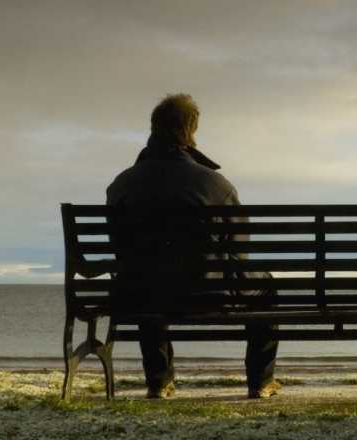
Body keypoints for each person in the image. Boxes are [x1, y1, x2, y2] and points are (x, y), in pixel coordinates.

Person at [106, 93, 280, 399]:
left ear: (153, 128)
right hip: (208, 292)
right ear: (191, 130)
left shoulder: (122, 184)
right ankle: (261, 381)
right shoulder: (216, 184)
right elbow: (239, 253)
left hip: (142, 293)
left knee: (146, 278)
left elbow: (120, 248)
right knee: (265, 287)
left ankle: (159, 381)